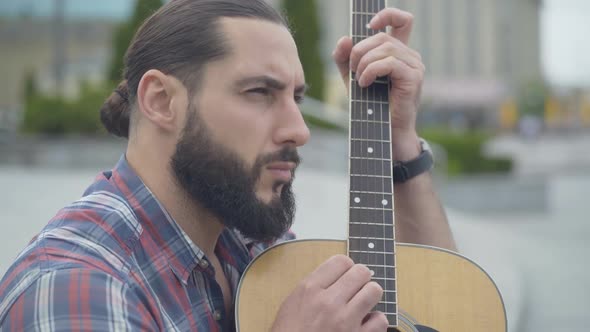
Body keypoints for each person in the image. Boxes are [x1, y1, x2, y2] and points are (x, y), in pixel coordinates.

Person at [0, 0, 455, 331]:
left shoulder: (245, 241)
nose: (299, 130)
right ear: (161, 101)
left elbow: (438, 301)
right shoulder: (76, 288)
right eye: (260, 92)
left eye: (296, 98)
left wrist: (400, 141)